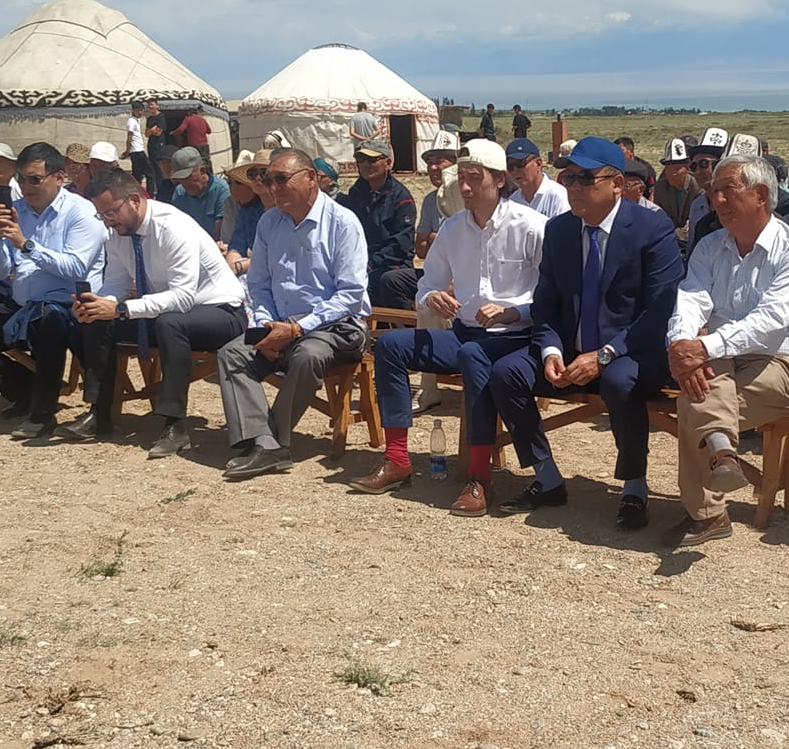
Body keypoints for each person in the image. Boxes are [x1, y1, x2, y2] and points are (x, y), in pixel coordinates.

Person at [488, 136, 683, 529]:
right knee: (506, 373)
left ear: (617, 184)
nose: (573, 186)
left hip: (630, 353)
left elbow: (660, 311)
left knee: (619, 381)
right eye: (568, 177)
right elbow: (546, 302)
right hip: (571, 352)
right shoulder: (560, 230)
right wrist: (549, 350)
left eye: (585, 178)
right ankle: (546, 477)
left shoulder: (652, 228)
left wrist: (606, 354)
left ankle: (634, 488)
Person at [350, 140, 545, 511]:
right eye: (461, 179)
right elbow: (428, 283)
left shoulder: (532, 226)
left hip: (514, 338)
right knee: (390, 347)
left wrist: (512, 311)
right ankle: (397, 459)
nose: (465, 188)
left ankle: (479, 477)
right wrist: (432, 297)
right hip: (466, 334)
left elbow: (552, 297)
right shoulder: (453, 228)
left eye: (474, 178)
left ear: (500, 179)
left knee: (473, 355)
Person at [664, 153, 789, 546]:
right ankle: (723, 459)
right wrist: (681, 343)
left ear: (761, 195)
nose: (716, 201)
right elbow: (691, 298)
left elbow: (769, 321)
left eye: (727, 191)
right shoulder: (710, 246)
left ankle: (710, 508)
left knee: (694, 402)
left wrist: (700, 349)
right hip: (720, 359)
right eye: (713, 192)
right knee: (701, 388)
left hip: (784, 363)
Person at [57, 168, 247, 458]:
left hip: (220, 310)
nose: (107, 222)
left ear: (134, 200)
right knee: (97, 319)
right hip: (168, 312)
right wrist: (98, 303)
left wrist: (121, 308)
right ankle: (100, 413)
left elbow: (183, 297)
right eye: (101, 215)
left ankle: (174, 426)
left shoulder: (172, 227)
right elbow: (117, 284)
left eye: (111, 213)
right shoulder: (118, 232)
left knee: (171, 323)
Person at [215, 149, 370, 479]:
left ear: (311, 178)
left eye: (281, 179)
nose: (273, 187)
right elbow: (259, 285)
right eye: (268, 180)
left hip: (337, 325)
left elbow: (350, 295)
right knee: (232, 354)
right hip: (282, 323)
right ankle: (266, 443)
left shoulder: (342, 223)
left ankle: (272, 441)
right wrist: (265, 327)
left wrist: (297, 329)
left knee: (307, 355)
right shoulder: (269, 222)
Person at [0, 142, 105, 441]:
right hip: (22, 302)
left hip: (68, 304)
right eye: (21, 179)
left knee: (47, 321)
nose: (26, 187)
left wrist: (26, 244)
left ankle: (42, 413)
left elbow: (76, 268)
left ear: (59, 178)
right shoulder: (17, 211)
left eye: (34, 179)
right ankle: (29, 392)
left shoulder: (81, 212)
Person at [340, 135, 419, 310]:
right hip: (360, 260)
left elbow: (401, 244)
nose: (365, 164)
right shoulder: (356, 193)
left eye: (372, 159)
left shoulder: (401, 198)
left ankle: (400, 323)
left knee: (371, 284)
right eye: (361, 159)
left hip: (391, 264)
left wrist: (370, 263)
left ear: (388, 163)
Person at [167, 145, 231, 238]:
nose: (184, 183)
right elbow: (175, 226)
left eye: (187, 177)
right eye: (180, 178)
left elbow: (220, 232)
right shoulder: (179, 192)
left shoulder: (221, 190)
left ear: (202, 171)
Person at [504, 137, 570, 219]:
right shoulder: (512, 201)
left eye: (520, 164)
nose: (515, 171)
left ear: (538, 164)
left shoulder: (558, 196)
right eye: (510, 166)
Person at [222, 154, 268, 271]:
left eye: (264, 173)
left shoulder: (287, 211)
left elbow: (278, 257)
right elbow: (237, 246)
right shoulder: (247, 212)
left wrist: (239, 266)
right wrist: (232, 266)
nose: (258, 178)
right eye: (252, 174)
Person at [652, 138, 698, 239]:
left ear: (687, 168)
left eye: (677, 169)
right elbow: (658, 215)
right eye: (669, 169)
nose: (673, 174)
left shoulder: (697, 187)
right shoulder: (661, 188)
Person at [168, 104, 214, 173]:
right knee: (206, 161)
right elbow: (209, 131)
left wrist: (172, 133)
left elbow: (181, 129)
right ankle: (210, 175)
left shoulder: (188, 119)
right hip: (204, 144)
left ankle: (199, 175)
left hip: (194, 144)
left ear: (189, 113)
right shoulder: (202, 119)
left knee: (195, 162)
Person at [125, 100, 153, 186]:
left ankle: (137, 190)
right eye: (138, 110)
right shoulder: (131, 121)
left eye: (141, 110)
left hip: (137, 151)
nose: (140, 112)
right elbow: (129, 137)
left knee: (137, 174)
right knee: (150, 173)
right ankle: (150, 192)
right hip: (137, 151)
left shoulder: (136, 121)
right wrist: (127, 151)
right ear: (133, 110)